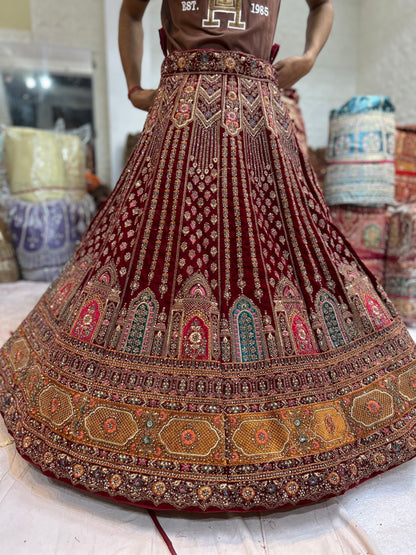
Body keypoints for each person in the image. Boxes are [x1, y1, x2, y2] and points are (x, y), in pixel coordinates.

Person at [1, 0, 416, 516]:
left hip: (258, 119)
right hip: (181, 116)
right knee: (153, 252)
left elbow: (322, 4)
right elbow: (131, 13)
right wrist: (133, 88)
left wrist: (309, 57)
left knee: (278, 254)